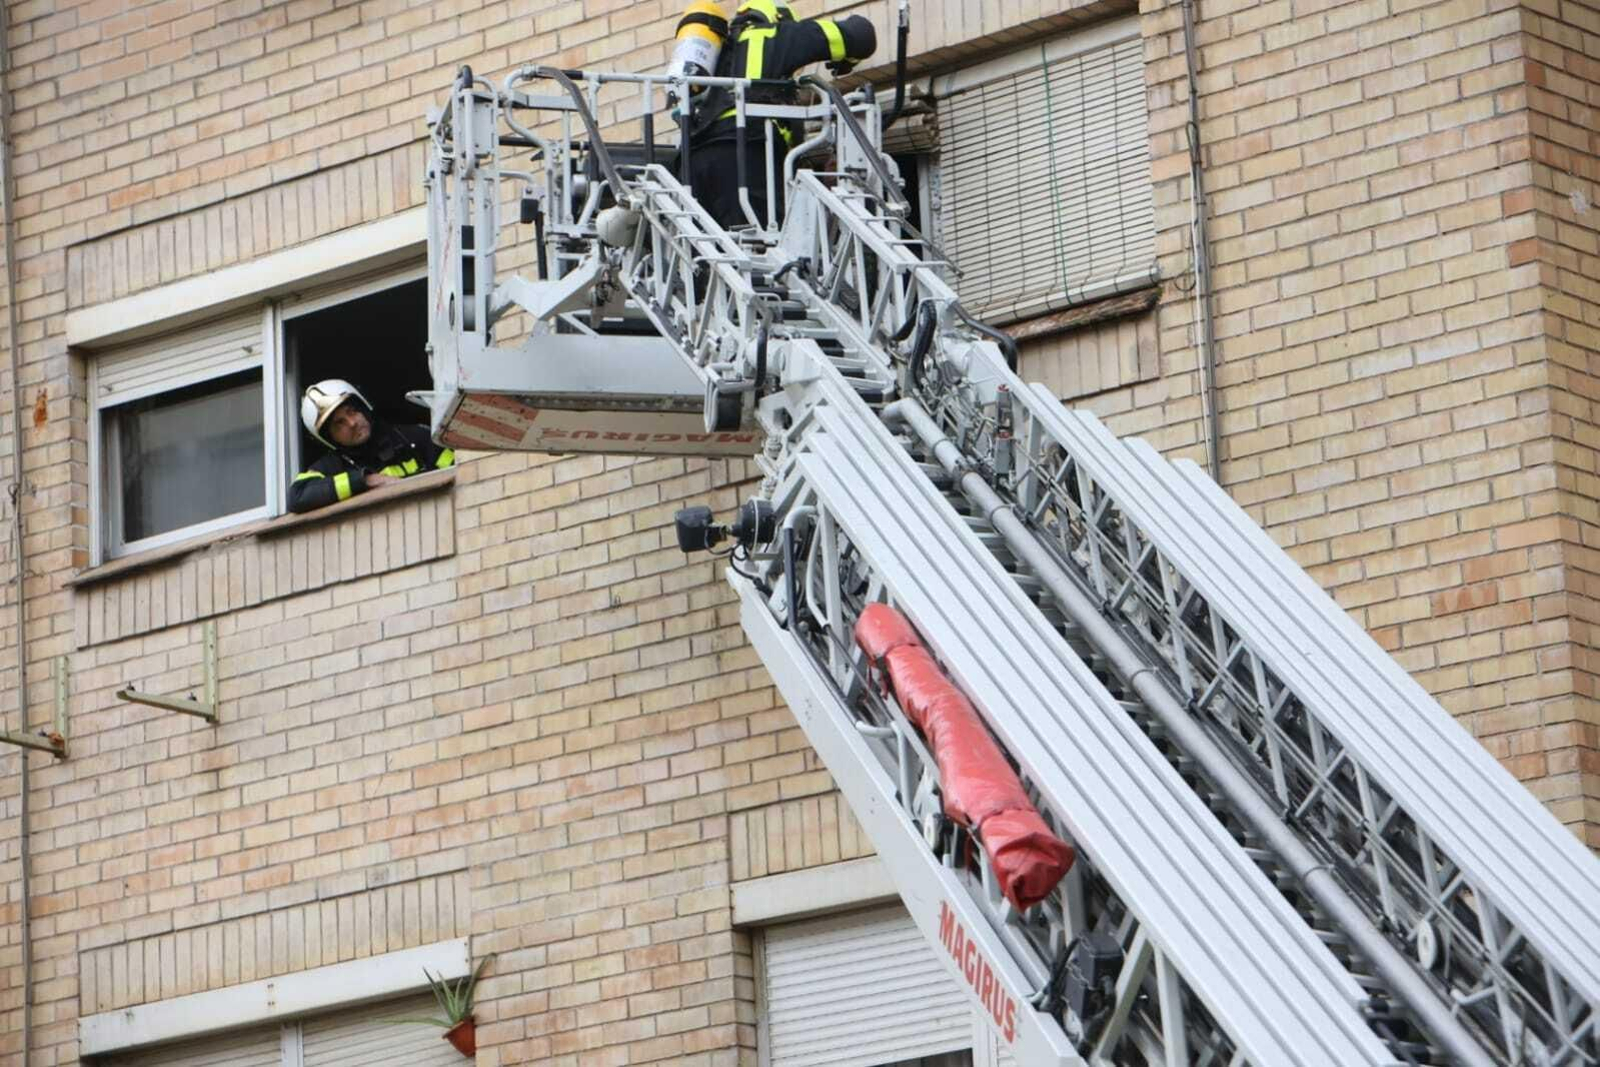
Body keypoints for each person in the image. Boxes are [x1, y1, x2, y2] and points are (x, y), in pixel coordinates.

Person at [686, 0, 876, 231]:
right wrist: (848, 59)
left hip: (693, 159)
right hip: (744, 155)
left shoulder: (717, 55)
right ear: (779, 19)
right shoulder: (772, 35)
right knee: (762, 246)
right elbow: (860, 35)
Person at [287, 378, 455, 513]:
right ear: (329, 438)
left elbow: (459, 470)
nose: (352, 423)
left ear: (363, 407)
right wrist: (365, 480)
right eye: (339, 423)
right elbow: (297, 496)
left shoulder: (414, 437)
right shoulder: (332, 465)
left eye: (352, 411)